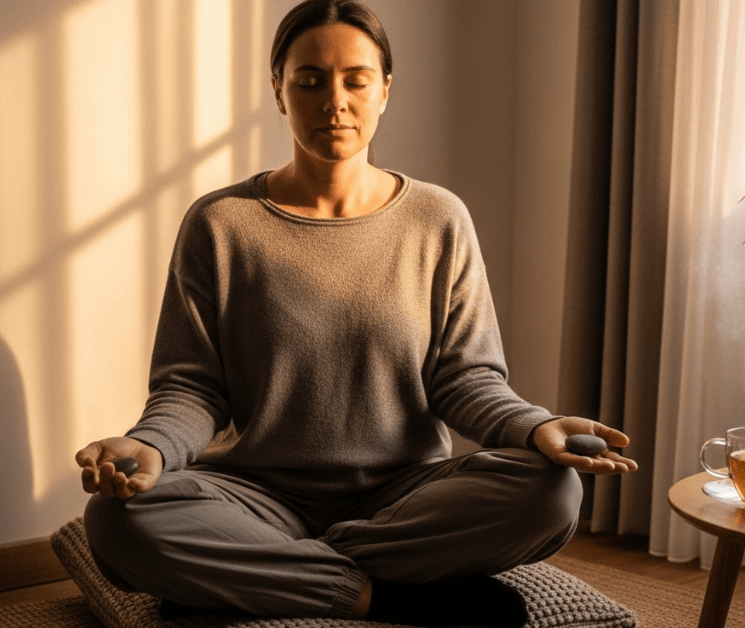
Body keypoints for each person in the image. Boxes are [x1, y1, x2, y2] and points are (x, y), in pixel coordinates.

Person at [76, 1, 637, 626]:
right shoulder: (219, 223)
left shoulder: (437, 218)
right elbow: (192, 387)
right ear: (279, 90)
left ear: (385, 90)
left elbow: (465, 378)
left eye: (355, 80)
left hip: (405, 497)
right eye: (310, 81)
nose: (333, 101)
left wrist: (537, 427)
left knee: (554, 492)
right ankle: (388, 598)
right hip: (254, 494)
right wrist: (149, 446)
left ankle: (262, 577)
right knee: (116, 520)